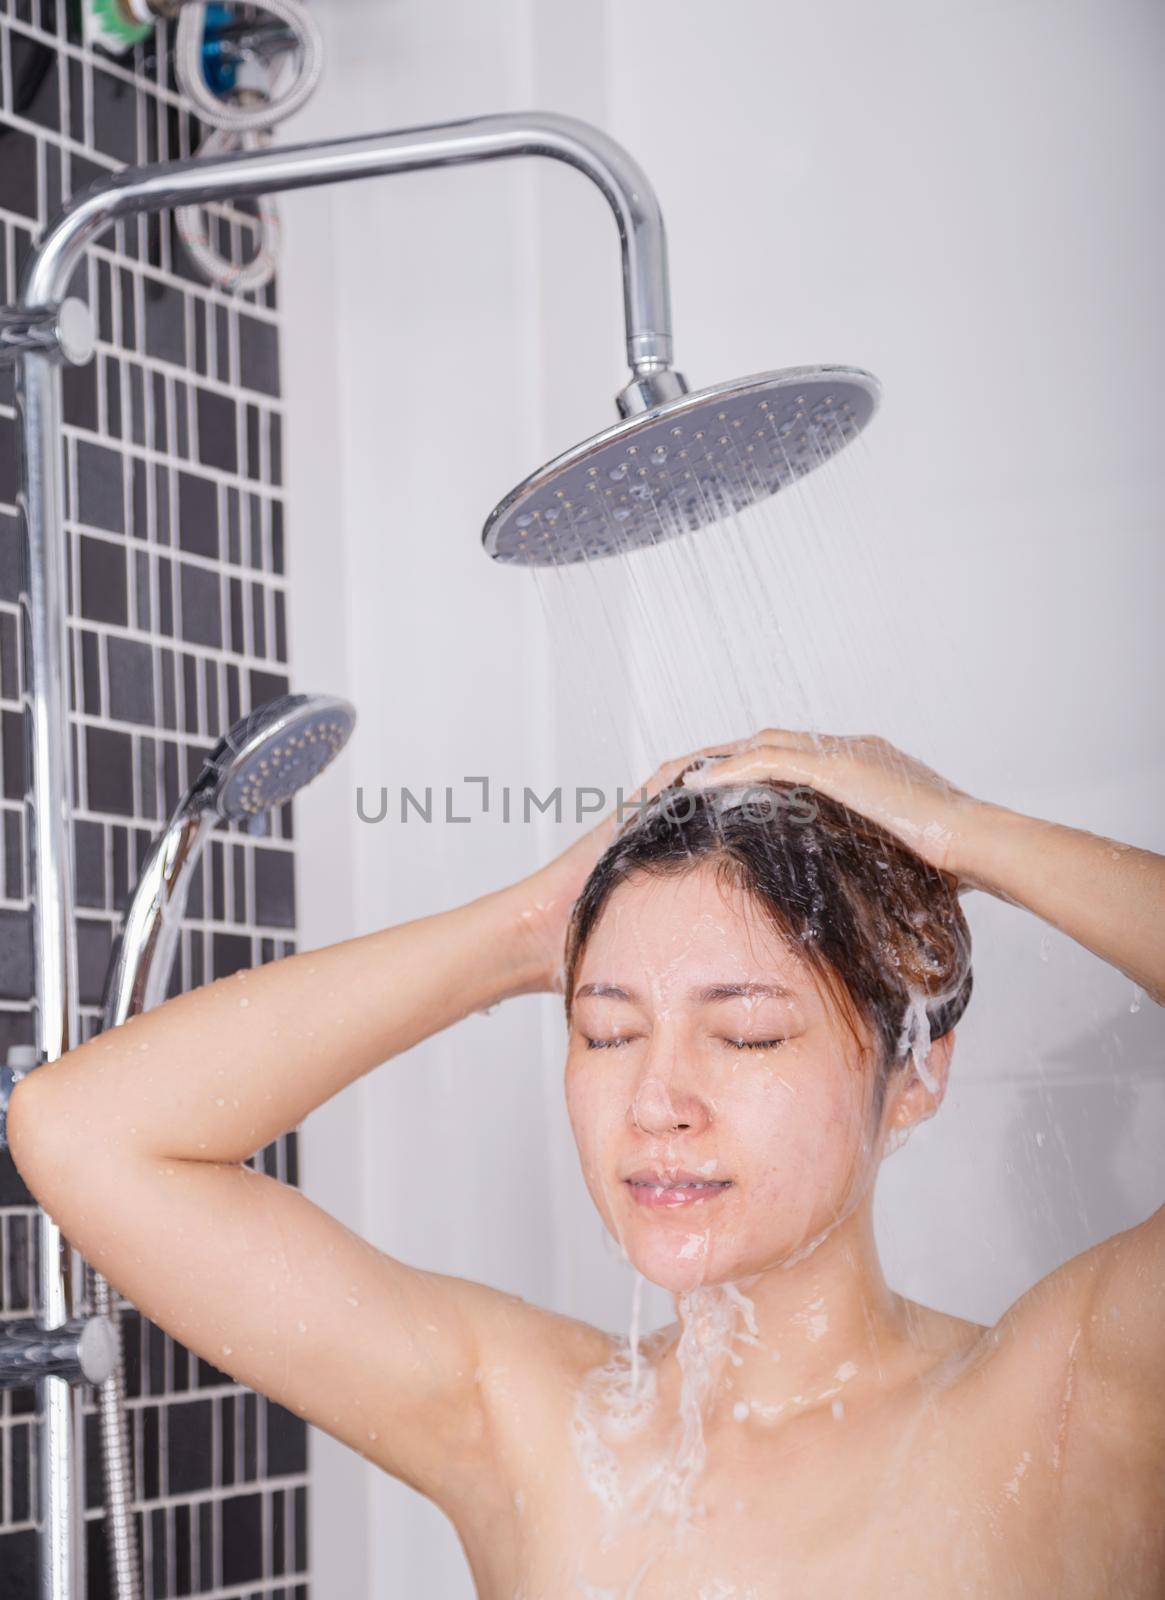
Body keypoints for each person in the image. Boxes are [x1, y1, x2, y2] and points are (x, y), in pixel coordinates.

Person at [8, 729, 1164, 1597]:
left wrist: (966, 835)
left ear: (914, 1066)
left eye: (747, 1032)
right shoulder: (527, 1428)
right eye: (606, 1030)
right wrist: (525, 930)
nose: (657, 1101)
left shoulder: (1064, 1413)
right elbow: (80, 1131)